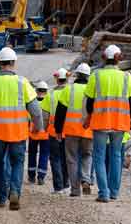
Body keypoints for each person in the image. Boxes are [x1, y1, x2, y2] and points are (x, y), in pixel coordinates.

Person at [0, 47, 43, 210]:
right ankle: (15, 193)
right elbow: (35, 110)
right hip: (18, 133)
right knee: (17, 164)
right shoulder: (22, 82)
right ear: (13, 63)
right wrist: (38, 127)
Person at [83, 44, 131, 203]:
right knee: (116, 156)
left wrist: (87, 118)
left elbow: (89, 102)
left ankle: (104, 193)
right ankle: (114, 192)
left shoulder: (96, 76)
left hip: (100, 123)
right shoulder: (127, 77)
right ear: (118, 58)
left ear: (104, 58)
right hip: (120, 123)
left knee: (99, 157)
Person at [54, 63, 93, 197]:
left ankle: (75, 190)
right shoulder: (91, 89)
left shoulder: (68, 90)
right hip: (88, 131)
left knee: (72, 159)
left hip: (70, 131)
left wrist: (58, 130)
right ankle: (86, 179)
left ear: (76, 75)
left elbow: (60, 112)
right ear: (88, 76)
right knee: (87, 156)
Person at [42, 68, 69, 194]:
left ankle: (58, 187)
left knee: (55, 159)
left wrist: (45, 128)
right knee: (67, 158)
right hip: (69, 132)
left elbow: (45, 115)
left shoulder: (50, 94)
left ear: (57, 79)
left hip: (53, 132)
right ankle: (67, 184)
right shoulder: (71, 92)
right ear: (67, 78)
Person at [27, 81, 50, 185]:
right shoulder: (49, 101)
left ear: (36, 90)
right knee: (44, 154)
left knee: (32, 154)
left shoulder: (32, 102)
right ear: (46, 91)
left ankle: (31, 176)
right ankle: (41, 176)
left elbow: (28, 118)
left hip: (33, 134)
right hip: (45, 134)